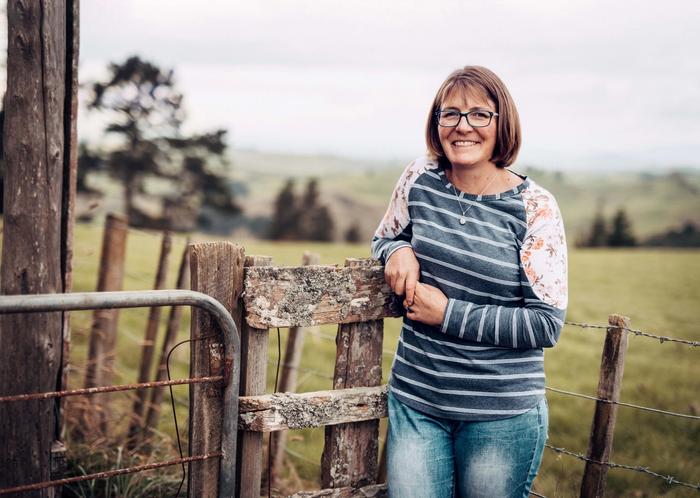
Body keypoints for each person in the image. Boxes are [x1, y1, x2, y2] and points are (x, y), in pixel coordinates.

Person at [371, 65, 567, 498]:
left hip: (501, 415)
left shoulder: (535, 208)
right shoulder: (420, 177)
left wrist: (448, 314)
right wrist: (398, 251)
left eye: (480, 114)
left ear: (502, 124)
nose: (463, 127)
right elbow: (385, 236)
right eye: (451, 114)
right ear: (436, 121)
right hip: (418, 402)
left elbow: (545, 325)